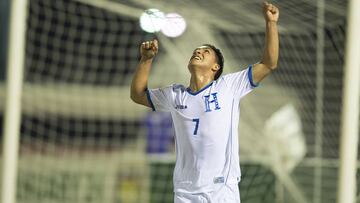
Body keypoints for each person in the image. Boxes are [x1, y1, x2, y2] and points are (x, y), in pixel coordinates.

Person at [130, 2, 279, 202]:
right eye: (196, 50)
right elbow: (138, 95)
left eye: (205, 52)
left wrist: (271, 23)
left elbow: (269, 63)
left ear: (215, 66)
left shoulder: (228, 86)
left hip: (221, 189)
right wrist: (146, 60)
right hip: (185, 192)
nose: (198, 52)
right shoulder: (175, 94)